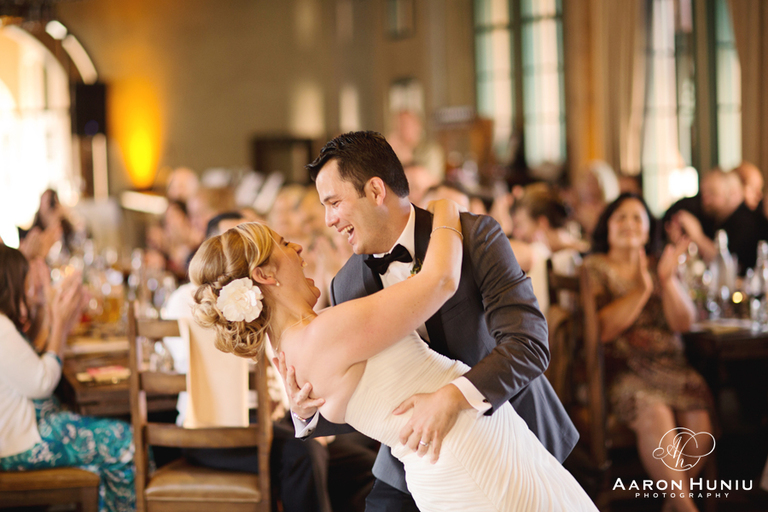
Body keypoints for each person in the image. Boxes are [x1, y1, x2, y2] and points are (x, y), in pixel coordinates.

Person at [188, 203, 596, 511]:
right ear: (263, 276)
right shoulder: (327, 330)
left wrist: (305, 415)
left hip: (468, 443)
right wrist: (446, 208)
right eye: (281, 243)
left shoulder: (291, 348)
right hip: (462, 450)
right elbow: (439, 281)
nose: (296, 245)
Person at [277, 131, 578, 510]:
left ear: (375, 191)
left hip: (511, 430)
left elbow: (529, 345)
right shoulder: (348, 284)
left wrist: (452, 397)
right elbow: (369, 401)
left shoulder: (474, 237)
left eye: (334, 202)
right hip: (416, 457)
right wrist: (308, 414)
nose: (329, 220)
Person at [163, 211, 375, 512]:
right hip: (212, 424)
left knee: (360, 462)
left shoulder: (265, 300)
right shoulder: (193, 302)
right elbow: (184, 360)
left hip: (276, 420)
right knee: (306, 455)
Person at [583, 193, 714, 512]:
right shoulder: (594, 268)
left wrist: (666, 281)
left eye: (637, 218)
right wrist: (642, 290)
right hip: (626, 369)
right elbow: (603, 331)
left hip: (673, 367)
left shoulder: (661, 264)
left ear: (647, 230)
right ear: (608, 227)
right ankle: (686, 508)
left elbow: (683, 322)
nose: (629, 224)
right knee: (654, 410)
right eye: (620, 217)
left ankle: (676, 505)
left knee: (699, 428)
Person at [0, 245, 135, 512]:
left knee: (106, 446)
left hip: (24, 432)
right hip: (18, 442)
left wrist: (56, 313)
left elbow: (32, 360)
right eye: (26, 282)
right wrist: (59, 323)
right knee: (126, 441)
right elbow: (41, 382)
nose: (30, 289)